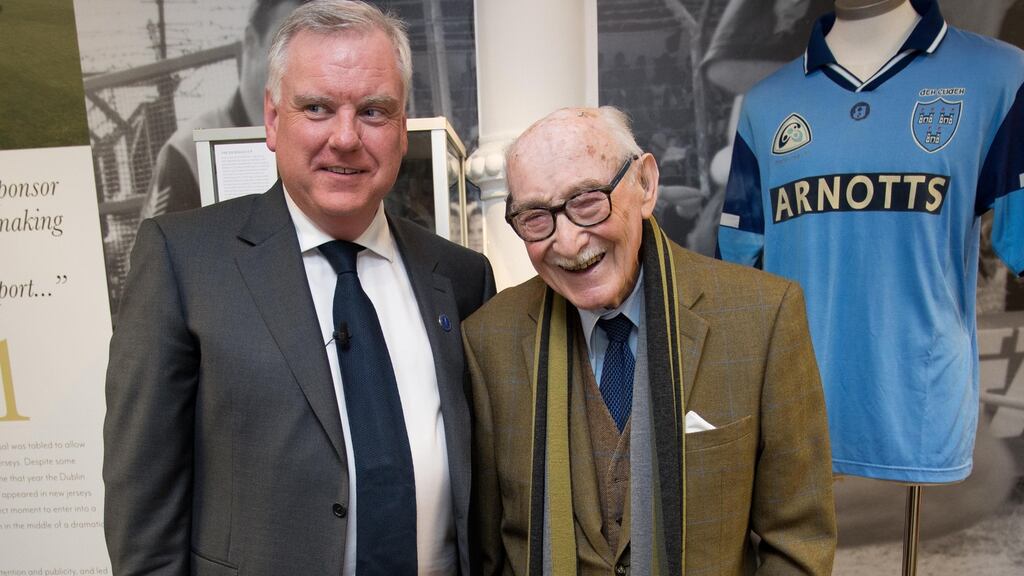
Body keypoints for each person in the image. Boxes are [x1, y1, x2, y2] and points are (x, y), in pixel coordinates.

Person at [103, 2, 495, 575]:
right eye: (316, 107)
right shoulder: (185, 262)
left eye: (373, 111)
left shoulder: (461, 278)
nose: (345, 137)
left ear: (402, 124)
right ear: (271, 119)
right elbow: (144, 510)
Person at [463, 107, 836, 575]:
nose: (570, 242)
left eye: (587, 201)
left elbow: (798, 542)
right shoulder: (488, 340)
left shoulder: (764, 316)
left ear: (645, 184)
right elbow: (489, 553)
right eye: (536, 217)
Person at [140, 0, 305, 218]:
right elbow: (159, 249)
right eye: (286, 48)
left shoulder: (328, 140)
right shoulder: (188, 153)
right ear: (251, 42)